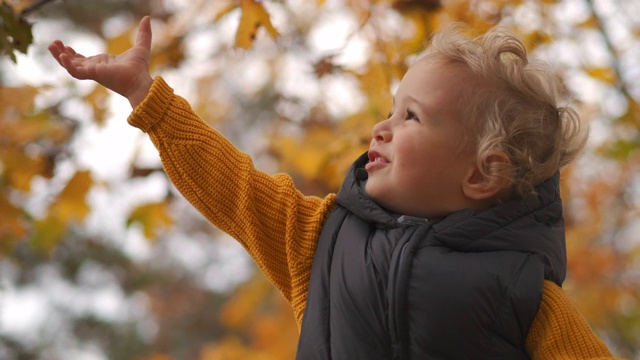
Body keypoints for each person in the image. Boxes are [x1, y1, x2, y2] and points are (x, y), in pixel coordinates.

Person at [49, 16, 616, 359]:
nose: (382, 127)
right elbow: (235, 189)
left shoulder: (522, 292)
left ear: (481, 174)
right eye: (390, 110)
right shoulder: (322, 239)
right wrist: (150, 100)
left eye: (412, 117)